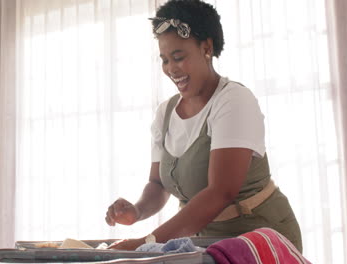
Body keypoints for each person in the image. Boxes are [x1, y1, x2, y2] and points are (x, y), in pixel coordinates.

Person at [105, 0, 303, 252]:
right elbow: (158, 184)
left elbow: (221, 192)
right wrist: (137, 210)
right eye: (164, 60)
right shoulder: (165, 113)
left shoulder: (233, 100)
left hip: (259, 239)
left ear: (206, 48)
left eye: (178, 57)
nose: (170, 69)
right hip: (206, 243)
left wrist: (146, 243)